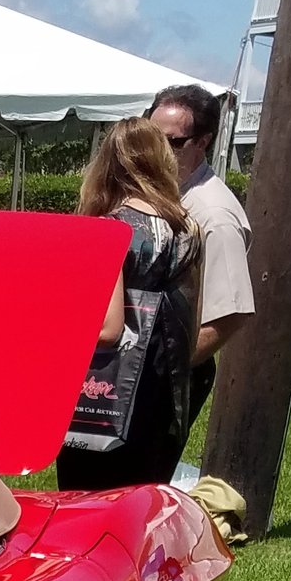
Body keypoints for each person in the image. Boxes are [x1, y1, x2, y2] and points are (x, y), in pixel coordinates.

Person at [61, 118, 202, 489]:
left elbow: (108, 329)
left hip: (104, 403)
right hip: (164, 394)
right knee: (141, 505)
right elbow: (192, 316)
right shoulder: (187, 228)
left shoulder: (108, 229)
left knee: (90, 505)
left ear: (107, 164)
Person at [151, 83, 252, 430]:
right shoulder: (165, 194)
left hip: (169, 374)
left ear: (203, 142)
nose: (157, 150)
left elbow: (231, 312)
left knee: (137, 482)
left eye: (172, 142)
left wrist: (169, 368)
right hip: (138, 366)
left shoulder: (214, 215)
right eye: (151, 137)